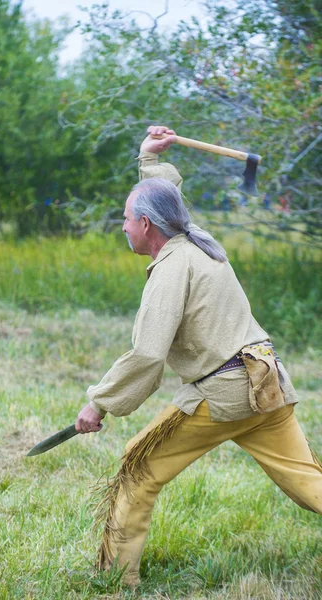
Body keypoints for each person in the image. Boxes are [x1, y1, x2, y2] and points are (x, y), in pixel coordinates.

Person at [75, 125, 322, 588]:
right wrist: (149, 158)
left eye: (126, 218)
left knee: (139, 465)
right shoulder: (197, 238)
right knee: (310, 483)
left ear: (146, 225)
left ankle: (116, 580)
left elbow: (147, 355)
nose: (123, 226)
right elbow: (168, 195)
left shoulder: (172, 269)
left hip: (226, 394)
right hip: (266, 380)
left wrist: (99, 402)